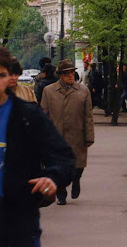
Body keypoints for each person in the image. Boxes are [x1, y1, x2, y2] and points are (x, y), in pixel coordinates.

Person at [0, 46, 75, 246]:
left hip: (18, 221)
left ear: (8, 77)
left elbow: (63, 156)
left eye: (1, 75)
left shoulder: (28, 116)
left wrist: (52, 177)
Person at [41, 59, 95, 205]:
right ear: (60, 75)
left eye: (72, 72)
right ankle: (61, 194)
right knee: (57, 168)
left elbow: (88, 116)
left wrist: (89, 137)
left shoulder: (83, 91)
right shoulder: (49, 91)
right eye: (67, 73)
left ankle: (76, 180)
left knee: (78, 167)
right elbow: (43, 116)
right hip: (55, 137)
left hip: (77, 135)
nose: (70, 76)